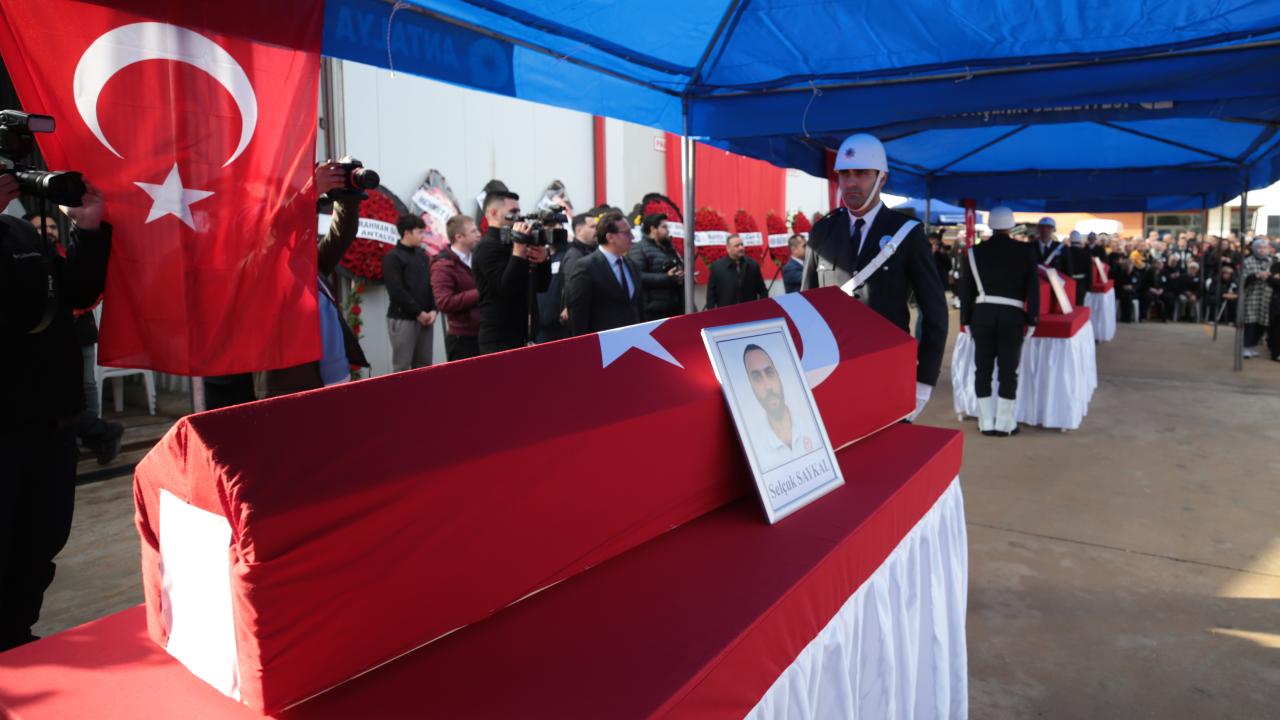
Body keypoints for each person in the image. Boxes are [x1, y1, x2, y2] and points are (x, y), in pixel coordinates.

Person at [2, 175, 111, 651]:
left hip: (49, 420)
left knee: (41, 539)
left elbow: (75, 293)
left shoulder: (20, 232)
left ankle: (17, 637)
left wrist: (88, 231)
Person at [801, 133, 948, 422]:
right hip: (832, 372)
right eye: (844, 174)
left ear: (882, 178)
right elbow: (806, 307)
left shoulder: (907, 233)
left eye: (861, 173)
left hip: (888, 371)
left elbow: (935, 312)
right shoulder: (823, 231)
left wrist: (923, 381)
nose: (851, 182)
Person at [23, 211, 123, 462]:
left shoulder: (67, 252)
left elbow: (86, 289)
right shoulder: (27, 257)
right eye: (41, 227)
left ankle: (94, 433)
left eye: (52, 226)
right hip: (51, 335)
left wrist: (75, 309)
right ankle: (97, 433)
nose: (48, 231)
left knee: (86, 383)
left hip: (80, 329)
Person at [265, 161, 370, 396]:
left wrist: (347, 198)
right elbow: (272, 237)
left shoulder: (307, 261)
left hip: (332, 379)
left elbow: (340, 237)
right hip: (292, 385)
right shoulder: (264, 266)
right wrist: (309, 193)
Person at [957, 206, 1039, 437]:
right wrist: (1033, 319)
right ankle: (1004, 423)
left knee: (982, 369)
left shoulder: (974, 252)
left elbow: (966, 290)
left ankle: (986, 422)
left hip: (982, 315)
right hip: (1012, 316)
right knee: (1008, 370)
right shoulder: (1026, 251)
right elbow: (1033, 289)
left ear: (990, 224)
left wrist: (966, 319)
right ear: (1011, 225)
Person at [473, 191, 551, 353]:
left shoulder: (517, 243)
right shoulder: (486, 247)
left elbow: (542, 286)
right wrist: (518, 249)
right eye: (513, 212)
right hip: (499, 338)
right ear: (494, 213)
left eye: (519, 211)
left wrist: (543, 259)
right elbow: (506, 288)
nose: (519, 216)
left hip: (528, 333)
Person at [565, 211, 645, 335]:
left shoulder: (631, 265)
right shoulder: (586, 267)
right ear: (610, 237)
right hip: (602, 342)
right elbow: (578, 316)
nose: (632, 237)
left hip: (633, 339)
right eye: (626, 233)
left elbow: (637, 306)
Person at [742, 343, 819, 470]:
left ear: (778, 375)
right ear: (752, 387)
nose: (768, 386)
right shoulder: (754, 447)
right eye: (757, 378)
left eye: (770, 373)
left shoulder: (812, 422)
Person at [382, 214, 438, 372]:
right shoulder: (392, 257)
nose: (423, 236)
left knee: (424, 366)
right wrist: (417, 312)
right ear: (407, 233)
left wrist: (434, 309)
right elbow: (396, 290)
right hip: (403, 319)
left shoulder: (422, 255)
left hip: (426, 318)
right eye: (419, 232)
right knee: (402, 366)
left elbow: (431, 284)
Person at [431, 214, 482, 361]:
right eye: (473, 231)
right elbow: (444, 302)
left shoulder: (477, 257)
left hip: (483, 332)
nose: (478, 234)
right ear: (459, 237)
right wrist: (480, 292)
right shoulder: (443, 265)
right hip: (463, 338)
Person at [627, 212, 684, 320]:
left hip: (675, 307)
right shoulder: (639, 249)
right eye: (664, 227)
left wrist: (680, 274)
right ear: (653, 229)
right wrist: (667, 278)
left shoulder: (669, 248)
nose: (667, 231)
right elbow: (637, 277)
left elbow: (678, 267)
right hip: (653, 311)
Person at [706, 234, 768, 309]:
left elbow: (762, 290)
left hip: (750, 310)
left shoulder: (752, 264)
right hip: (727, 312)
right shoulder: (717, 267)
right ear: (728, 249)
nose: (741, 248)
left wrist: (763, 308)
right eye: (737, 246)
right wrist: (711, 311)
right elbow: (711, 294)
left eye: (742, 244)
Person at [1242, 238, 1273, 358]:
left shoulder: (1272, 261)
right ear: (1254, 248)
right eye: (1259, 247)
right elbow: (1243, 279)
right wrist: (1256, 275)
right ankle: (1246, 347)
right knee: (1250, 322)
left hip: (1266, 297)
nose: (1262, 250)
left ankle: (1253, 346)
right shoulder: (1247, 261)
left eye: (1264, 247)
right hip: (1251, 296)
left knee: (1262, 323)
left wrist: (1269, 277)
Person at [1142, 258, 1173, 322]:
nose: (1161, 265)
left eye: (1161, 263)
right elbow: (1144, 284)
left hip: (1161, 291)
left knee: (1169, 297)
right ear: (1154, 264)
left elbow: (1168, 284)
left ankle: (1166, 316)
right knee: (1147, 296)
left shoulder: (1165, 272)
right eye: (1159, 263)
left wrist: (1162, 290)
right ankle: (1144, 315)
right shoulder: (1149, 272)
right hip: (1151, 290)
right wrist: (1152, 289)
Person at [1066, 231, 1091, 307]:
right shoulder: (1086, 254)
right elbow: (1089, 271)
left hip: (1068, 283)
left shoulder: (1065, 252)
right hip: (1081, 284)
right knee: (1079, 305)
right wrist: (1089, 287)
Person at [1115, 257, 1143, 323]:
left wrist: (1132, 287)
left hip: (1133, 292)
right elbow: (1118, 283)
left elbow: (1138, 284)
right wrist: (1123, 287)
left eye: (1129, 264)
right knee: (1124, 297)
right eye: (1126, 264)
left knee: (1128, 297)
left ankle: (1128, 317)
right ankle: (1123, 316)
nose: (1128, 266)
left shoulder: (1136, 274)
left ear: (1132, 265)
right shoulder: (1122, 273)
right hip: (1123, 291)